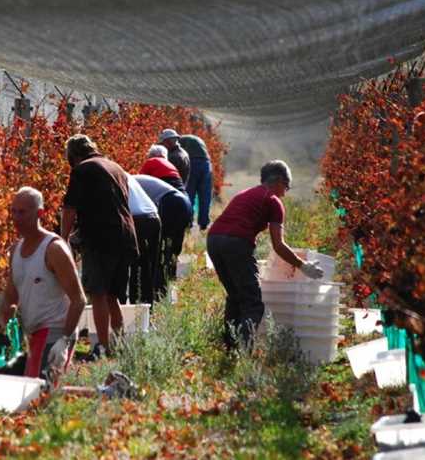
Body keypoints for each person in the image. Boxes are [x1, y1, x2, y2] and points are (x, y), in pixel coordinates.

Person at [206, 160, 323, 350]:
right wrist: (303, 265)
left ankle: (230, 346)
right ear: (277, 181)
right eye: (287, 186)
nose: (286, 191)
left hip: (213, 241)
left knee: (235, 295)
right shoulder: (273, 201)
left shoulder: (244, 194)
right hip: (236, 243)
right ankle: (243, 352)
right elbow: (278, 245)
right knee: (252, 302)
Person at [0, 187, 87, 381]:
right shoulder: (16, 250)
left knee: (40, 392)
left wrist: (65, 339)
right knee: (35, 392)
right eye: (13, 211)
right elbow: (11, 297)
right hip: (35, 333)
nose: (16, 217)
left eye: (22, 212)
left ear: (39, 214)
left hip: (56, 331)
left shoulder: (54, 249)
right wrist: (0, 324)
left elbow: (78, 300)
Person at [61, 134, 139, 358]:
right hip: (125, 236)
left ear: (72, 156)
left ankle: (103, 348)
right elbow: (108, 205)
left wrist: (63, 239)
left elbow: (69, 208)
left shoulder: (82, 169)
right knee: (112, 295)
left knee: (98, 292)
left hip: (102, 239)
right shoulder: (115, 167)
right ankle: (119, 344)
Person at [134, 174, 192, 300]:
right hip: (184, 202)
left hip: (170, 203)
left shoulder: (125, 183)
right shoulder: (134, 179)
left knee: (159, 254)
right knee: (170, 252)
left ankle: (159, 292)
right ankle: (166, 289)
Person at [125, 175, 161, 305]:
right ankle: (148, 308)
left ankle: (137, 307)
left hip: (138, 219)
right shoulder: (123, 174)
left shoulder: (108, 176)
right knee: (149, 267)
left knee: (136, 265)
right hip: (154, 217)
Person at [179, 134, 213, 231]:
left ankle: (188, 222)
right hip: (206, 164)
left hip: (193, 163)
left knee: (189, 195)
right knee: (205, 196)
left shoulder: (179, 141)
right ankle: (204, 223)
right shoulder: (198, 140)